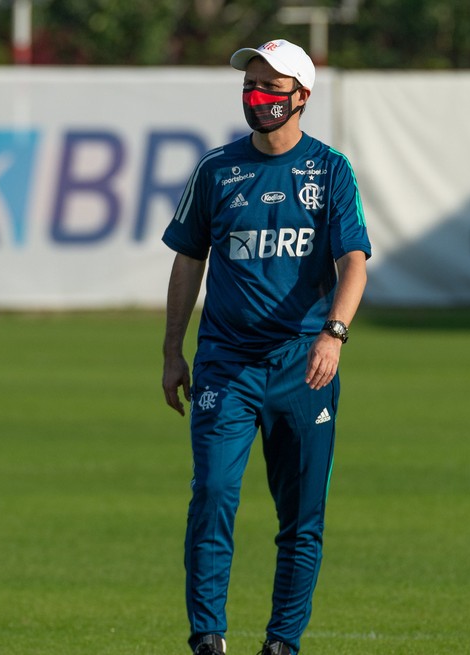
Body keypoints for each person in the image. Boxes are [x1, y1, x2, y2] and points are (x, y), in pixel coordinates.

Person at [161, 38, 371, 655]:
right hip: (226, 365)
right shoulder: (216, 169)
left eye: (271, 88)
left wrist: (333, 333)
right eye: (250, 85)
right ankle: (207, 637)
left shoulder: (330, 170)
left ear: (301, 96)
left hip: (304, 366)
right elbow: (186, 264)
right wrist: (173, 350)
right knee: (214, 496)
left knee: (301, 518)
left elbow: (353, 263)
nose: (258, 97)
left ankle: (282, 643)